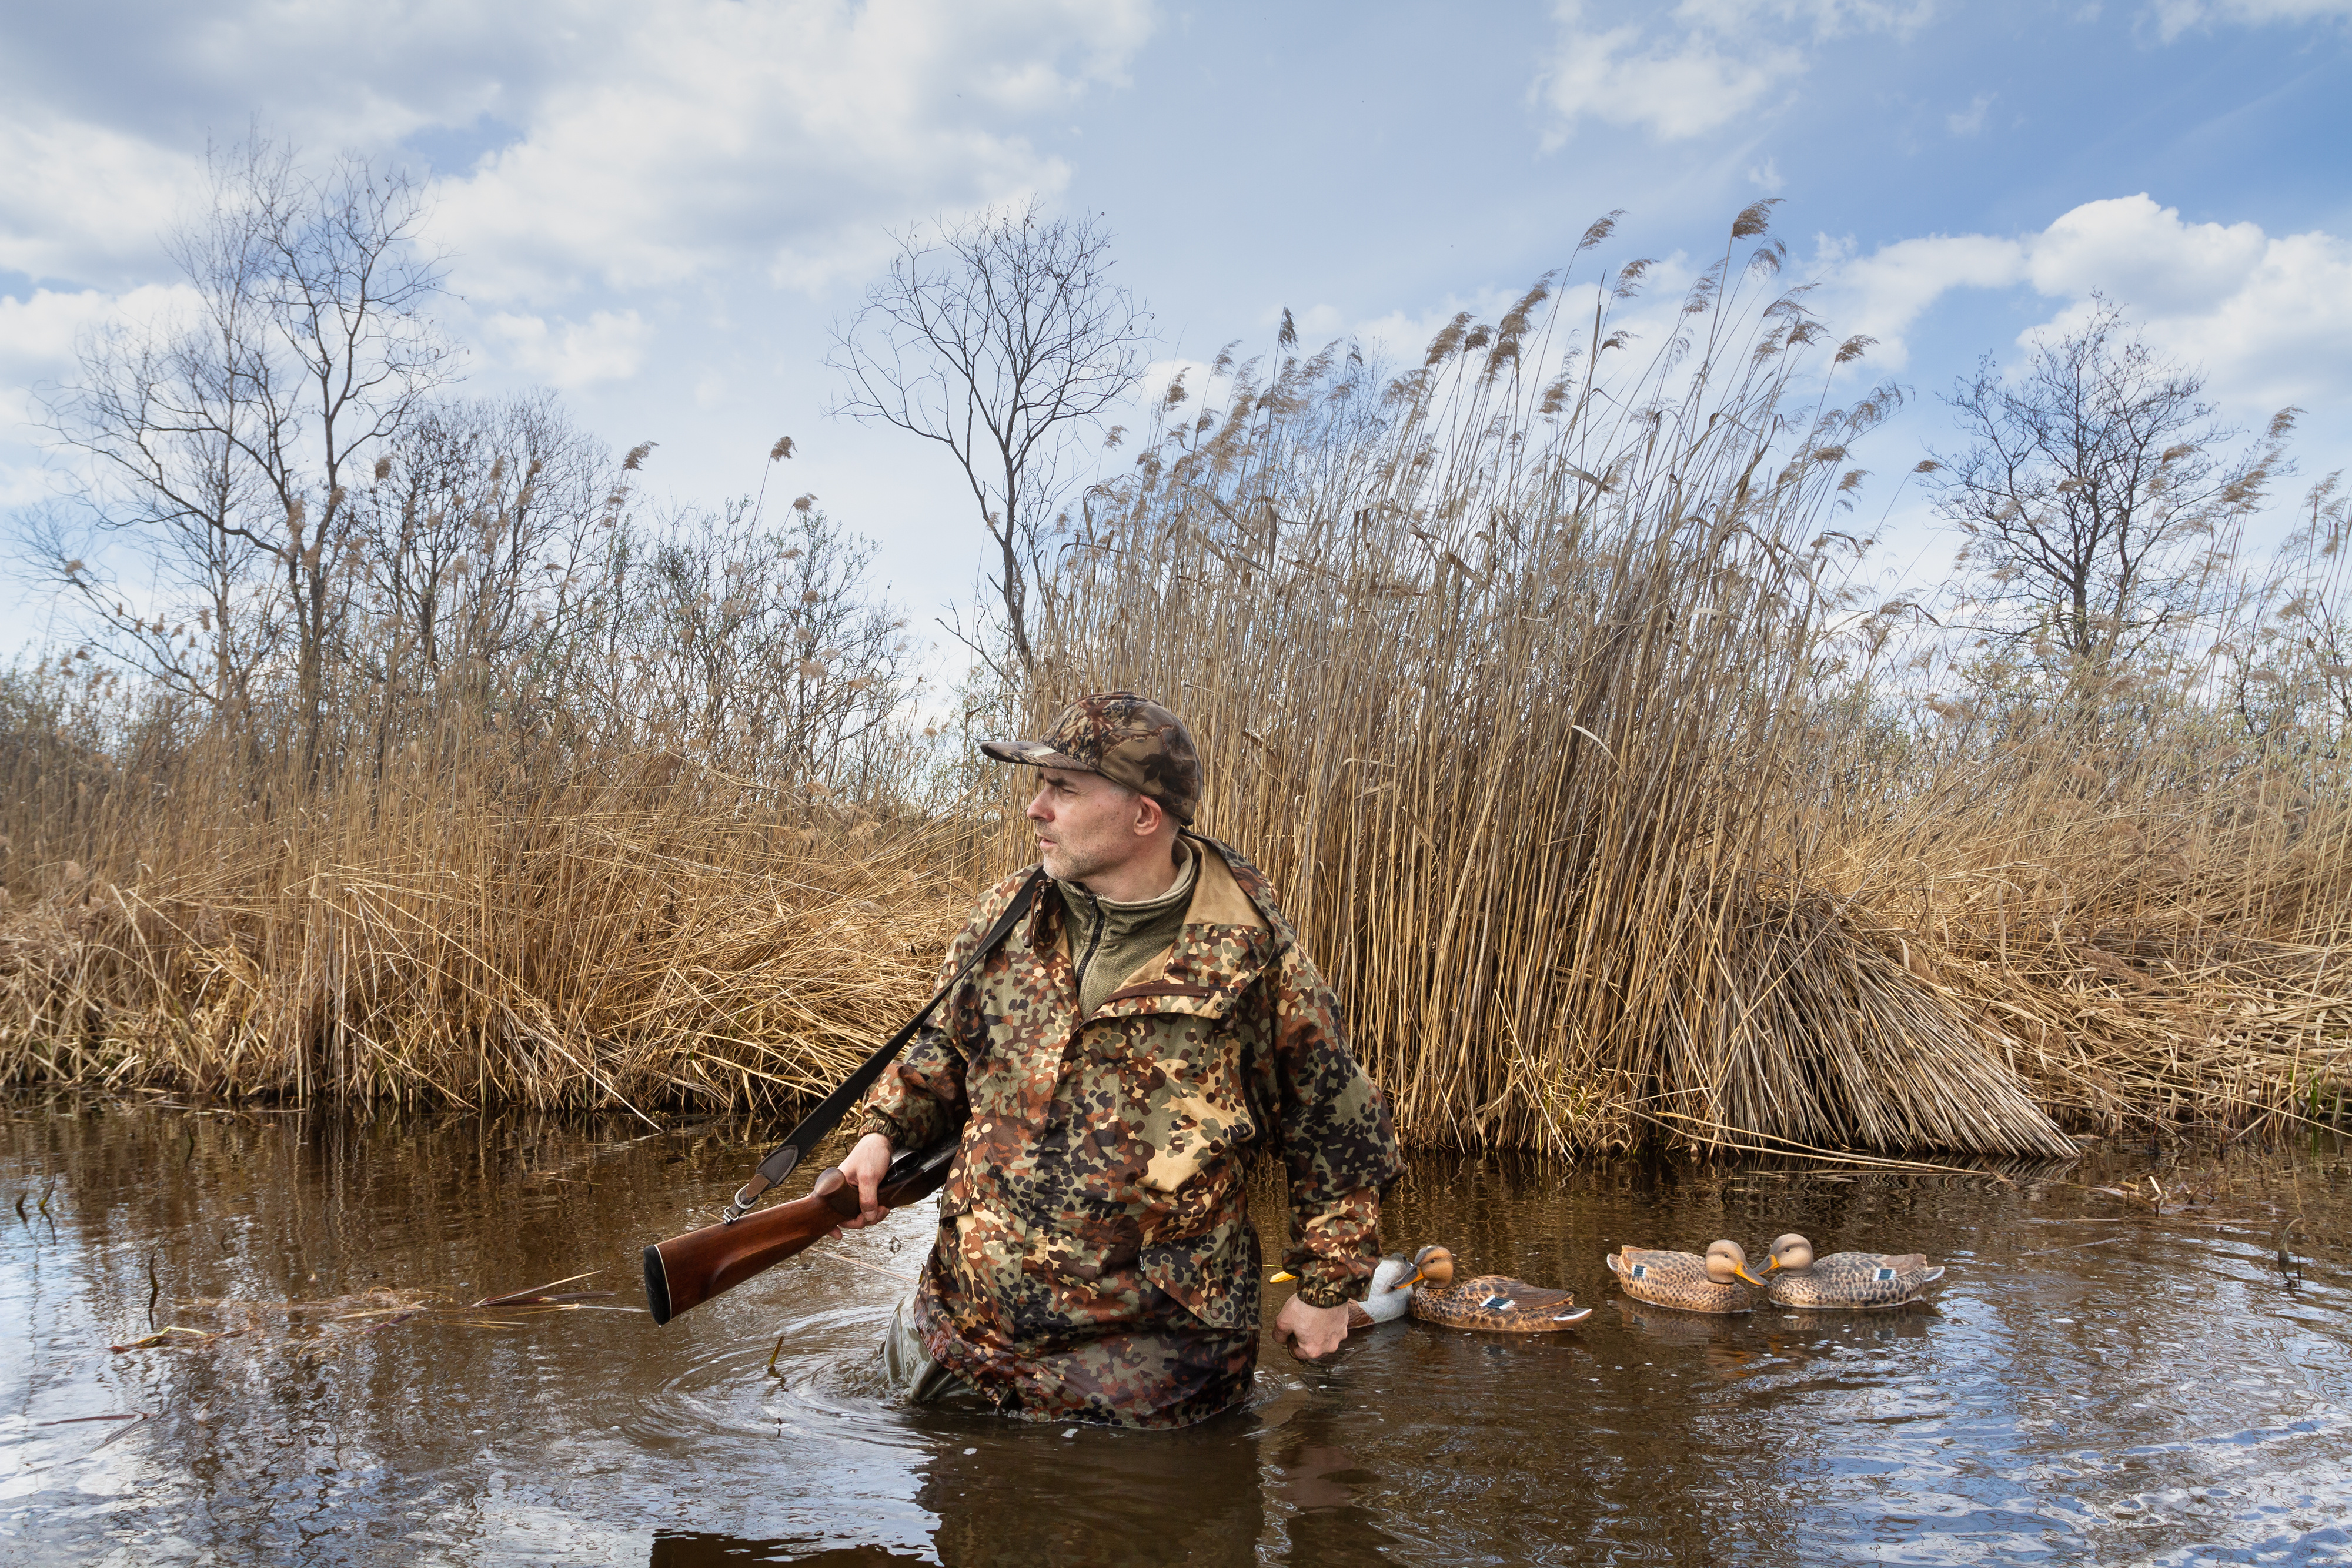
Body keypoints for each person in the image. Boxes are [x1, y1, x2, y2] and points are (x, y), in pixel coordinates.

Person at [834, 691, 1402, 1429]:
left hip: (1150, 1370)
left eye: (1063, 788)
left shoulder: (1250, 955)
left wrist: (1328, 1290)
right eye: (1041, 786)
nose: (1036, 808)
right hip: (965, 1335)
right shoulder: (1008, 912)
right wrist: (881, 1133)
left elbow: (1337, 1130)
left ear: (1143, 815)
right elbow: (944, 1046)